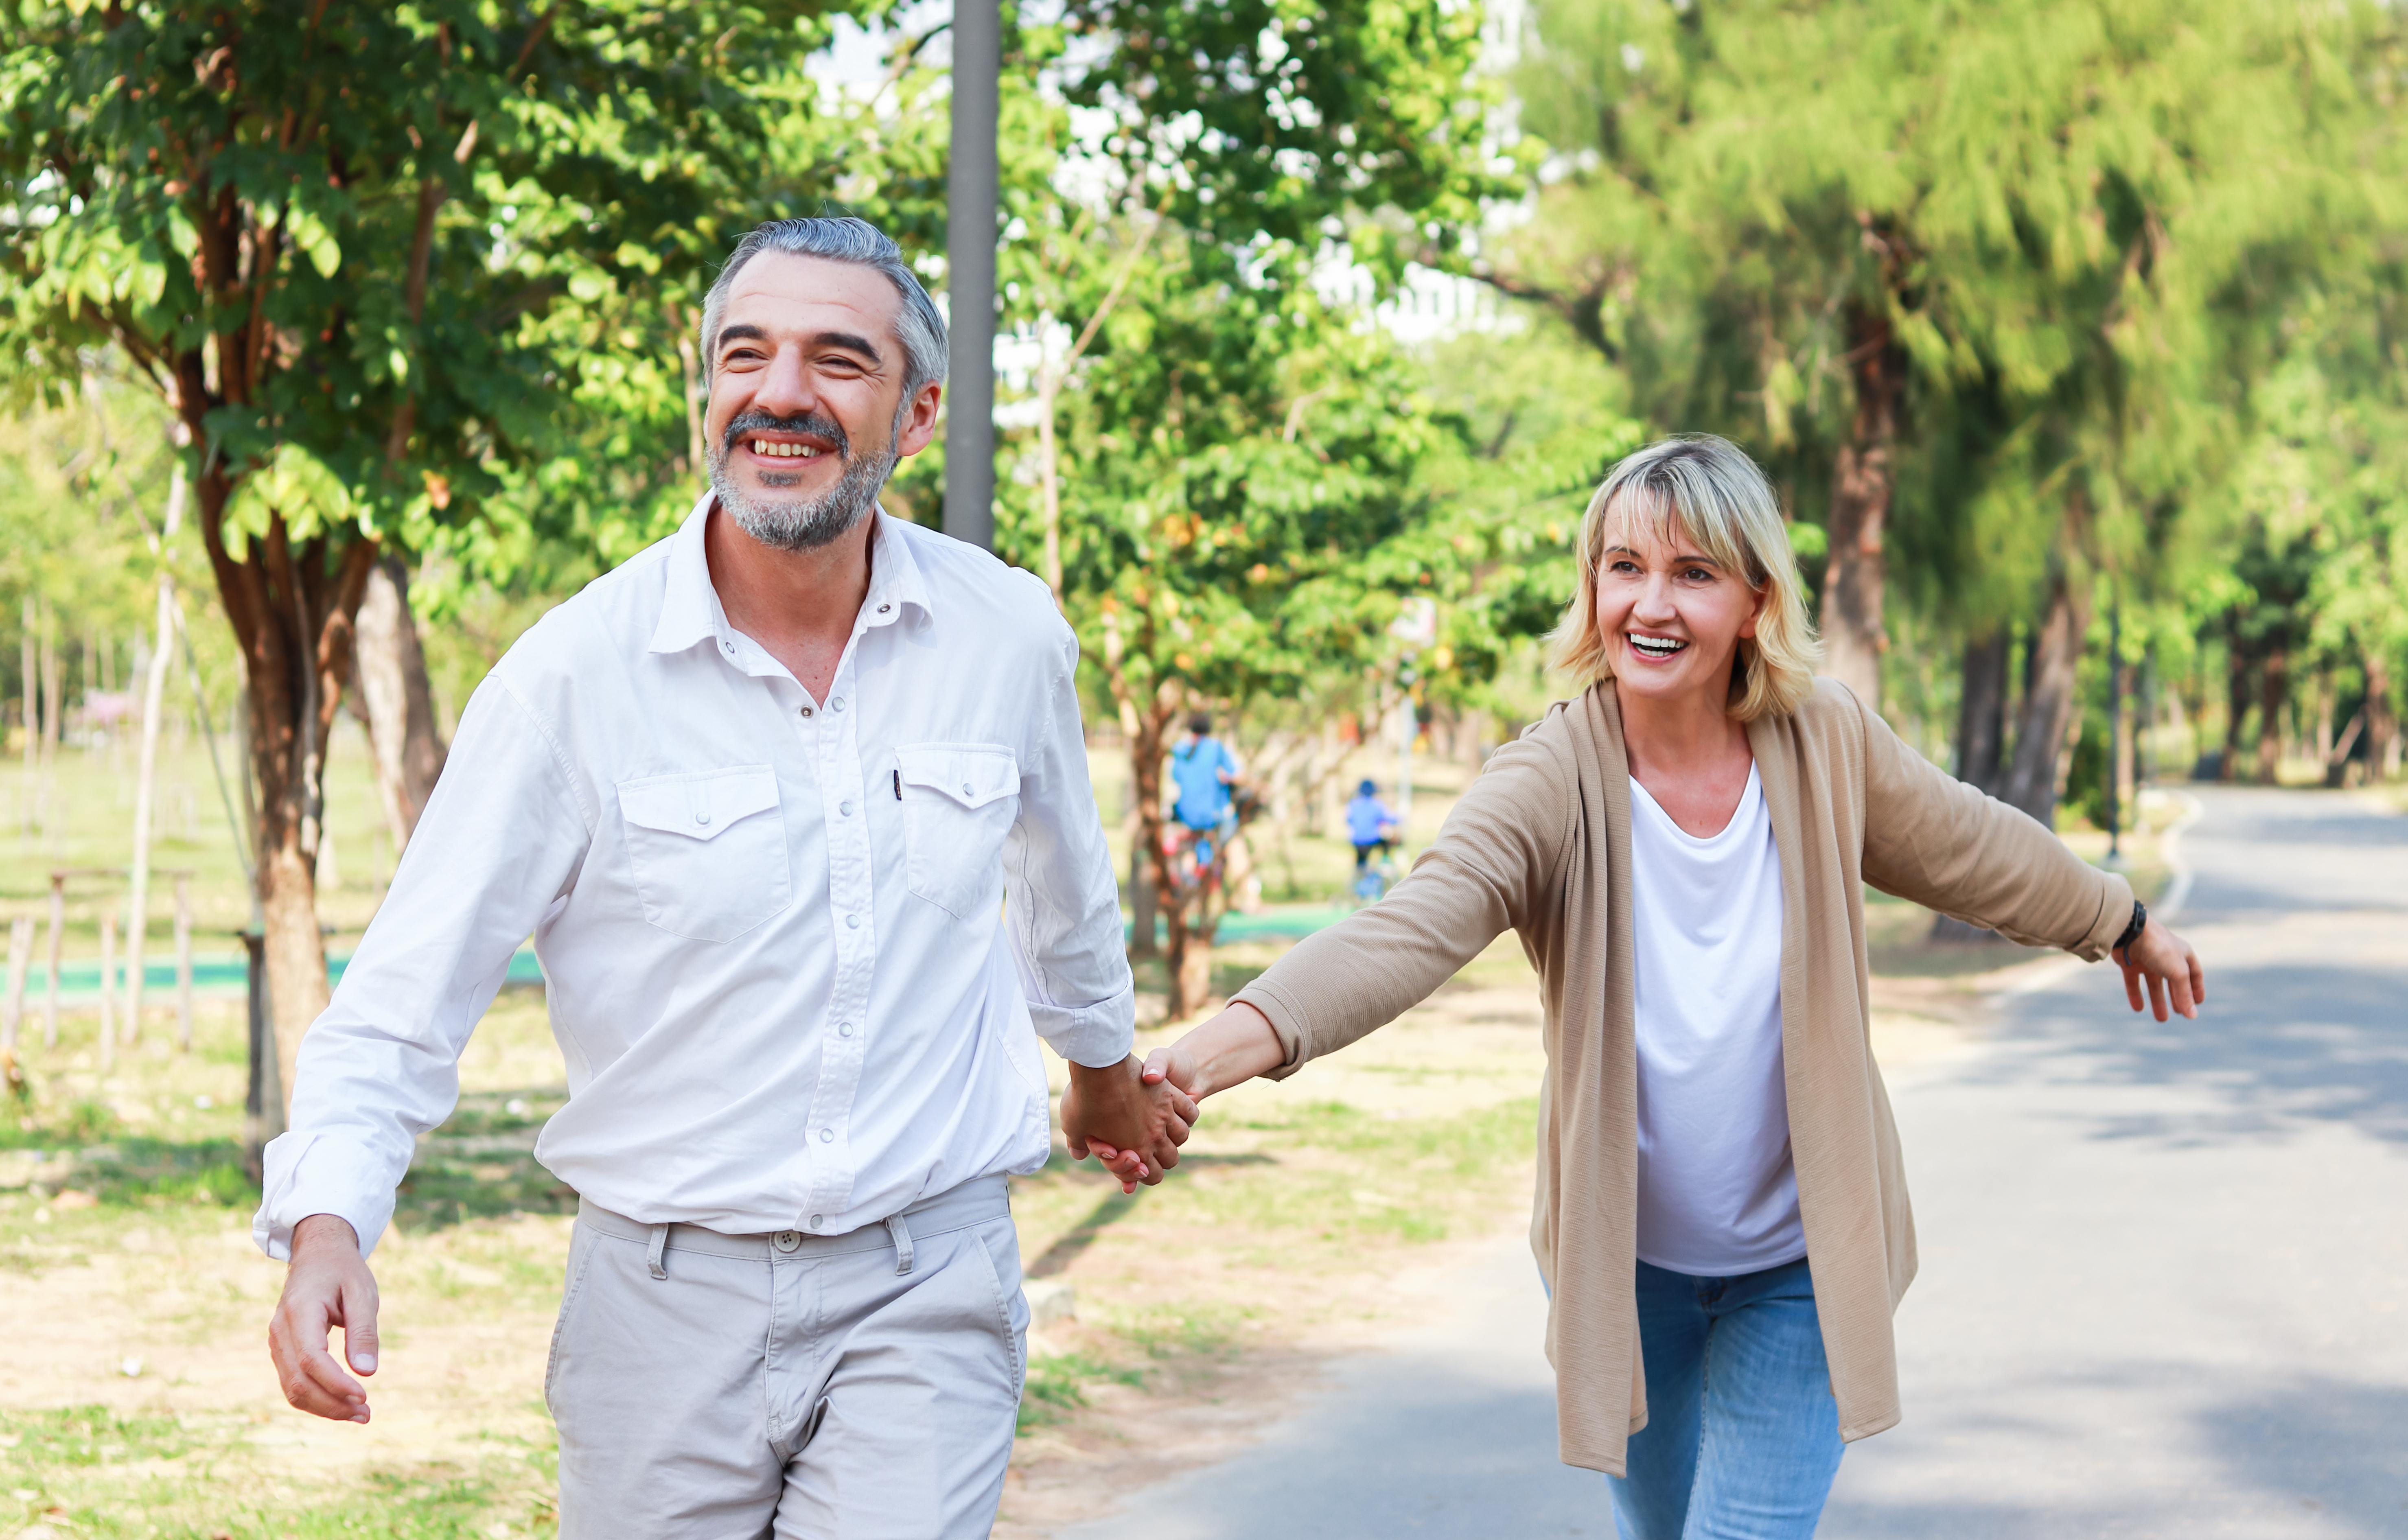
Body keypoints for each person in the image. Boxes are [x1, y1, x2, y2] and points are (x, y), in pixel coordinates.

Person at [256, 217, 1191, 1540]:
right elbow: (407, 995)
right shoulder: (572, 679)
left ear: (916, 412)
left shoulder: (1006, 633)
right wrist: (329, 1221)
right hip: (657, 1303)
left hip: (926, 1281)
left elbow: (1060, 883)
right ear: (707, 392)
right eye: (742, 354)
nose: (781, 392)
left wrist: (1100, 1069)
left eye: (837, 360)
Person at [1110, 435, 2206, 1540]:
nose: (1651, 602)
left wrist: (2122, 922)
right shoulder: (1548, 778)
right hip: (1624, 1270)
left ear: (1753, 600)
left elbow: (1974, 847)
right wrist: (1186, 1067)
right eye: (1623, 566)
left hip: (1802, 1261)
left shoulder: (1822, 740)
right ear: (1590, 589)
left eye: (1692, 573)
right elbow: (1401, 934)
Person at [1167, 712, 1240, 869]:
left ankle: (1199, 866)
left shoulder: (1180, 750)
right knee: (1233, 828)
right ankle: (1218, 864)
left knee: (1199, 844)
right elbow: (1235, 773)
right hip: (1211, 815)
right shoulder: (1215, 748)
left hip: (1185, 812)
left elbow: (1176, 777)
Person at [1345, 778, 1401, 871]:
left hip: (1356, 840)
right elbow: (1390, 819)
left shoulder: (1353, 804)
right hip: (1372, 839)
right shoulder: (1377, 805)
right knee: (1389, 840)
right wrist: (1400, 818)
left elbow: (1348, 820)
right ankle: (1385, 861)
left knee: (1361, 861)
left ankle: (1360, 872)